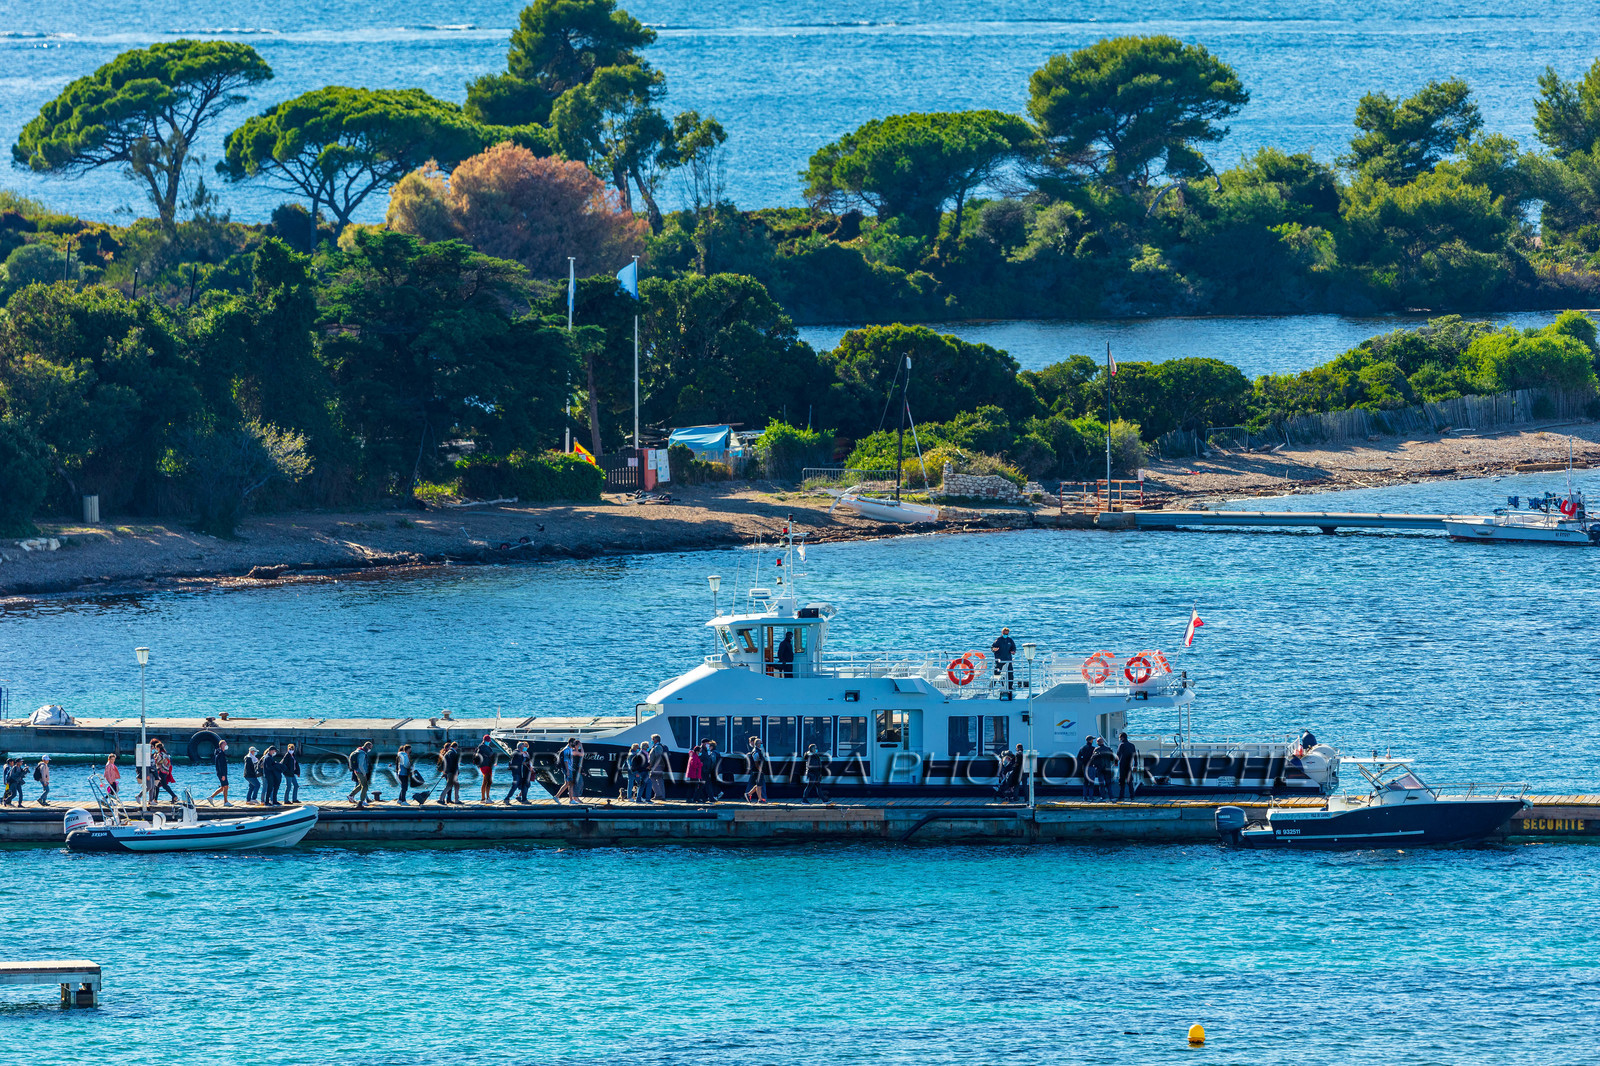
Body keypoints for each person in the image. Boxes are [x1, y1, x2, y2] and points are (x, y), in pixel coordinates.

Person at [554, 739, 583, 804]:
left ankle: (557, 796)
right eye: (573, 743)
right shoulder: (566, 750)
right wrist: (567, 770)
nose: (574, 744)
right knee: (570, 784)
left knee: (567, 784)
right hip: (568, 769)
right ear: (570, 742)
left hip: (569, 769)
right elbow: (566, 761)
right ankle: (570, 800)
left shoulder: (570, 749)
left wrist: (580, 746)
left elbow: (579, 753)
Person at [206, 739, 232, 807]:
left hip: (222, 773)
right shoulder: (220, 753)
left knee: (224, 787)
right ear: (222, 745)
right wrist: (223, 775)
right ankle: (225, 802)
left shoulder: (221, 753)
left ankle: (211, 797)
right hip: (221, 773)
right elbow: (220, 765)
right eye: (225, 744)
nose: (226, 745)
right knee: (225, 786)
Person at [348, 741, 374, 808]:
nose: (370, 749)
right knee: (365, 786)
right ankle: (362, 801)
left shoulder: (357, 750)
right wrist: (364, 773)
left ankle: (351, 795)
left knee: (361, 785)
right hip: (360, 772)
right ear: (367, 747)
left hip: (356, 771)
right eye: (370, 748)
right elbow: (360, 765)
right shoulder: (362, 754)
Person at [744, 736, 768, 803]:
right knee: (759, 785)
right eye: (760, 743)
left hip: (756, 771)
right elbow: (756, 763)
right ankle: (759, 799)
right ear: (757, 744)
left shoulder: (757, 751)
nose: (761, 744)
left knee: (758, 785)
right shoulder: (756, 752)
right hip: (757, 771)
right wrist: (760, 770)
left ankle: (748, 794)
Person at [1115, 732, 1139, 800]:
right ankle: (1132, 796)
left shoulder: (1121, 745)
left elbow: (1118, 754)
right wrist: (1135, 765)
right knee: (1129, 781)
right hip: (1130, 765)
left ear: (1122, 737)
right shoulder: (1132, 745)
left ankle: (1121, 796)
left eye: (1120, 737)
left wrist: (1116, 762)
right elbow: (1135, 755)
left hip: (1123, 764)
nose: (1119, 739)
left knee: (1121, 781)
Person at [1092, 736, 1116, 800]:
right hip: (1107, 768)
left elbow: (1092, 759)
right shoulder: (1108, 749)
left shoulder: (1096, 749)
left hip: (1100, 769)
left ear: (1098, 742)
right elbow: (1112, 758)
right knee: (1108, 783)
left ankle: (1103, 797)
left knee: (1101, 783)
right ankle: (1111, 797)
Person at [647, 734, 669, 803]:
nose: (652, 741)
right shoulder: (659, 746)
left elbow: (658, 757)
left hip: (657, 766)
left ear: (655, 740)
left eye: (652, 739)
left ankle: (659, 795)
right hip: (659, 766)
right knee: (659, 780)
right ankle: (661, 796)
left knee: (652, 779)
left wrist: (652, 765)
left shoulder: (657, 747)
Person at [476, 734, 497, 803]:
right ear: (484, 740)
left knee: (485, 781)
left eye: (489, 741)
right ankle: (487, 798)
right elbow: (490, 755)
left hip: (488, 765)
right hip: (485, 765)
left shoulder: (487, 747)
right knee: (488, 781)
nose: (489, 742)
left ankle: (483, 799)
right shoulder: (482, 747)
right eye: (488, 741)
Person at [1077, 735, 1098, 801]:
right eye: (1092, 739)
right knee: (1091, 782)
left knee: (1085, 782)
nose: (1093, 740)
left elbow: (1078, 757)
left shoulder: (1082, 748)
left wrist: (1083, 761)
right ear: (1090, 740)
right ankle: (1091, 797)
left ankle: (1084, 797)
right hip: (1091, 766)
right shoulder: (1093, 749)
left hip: (1085, 766)